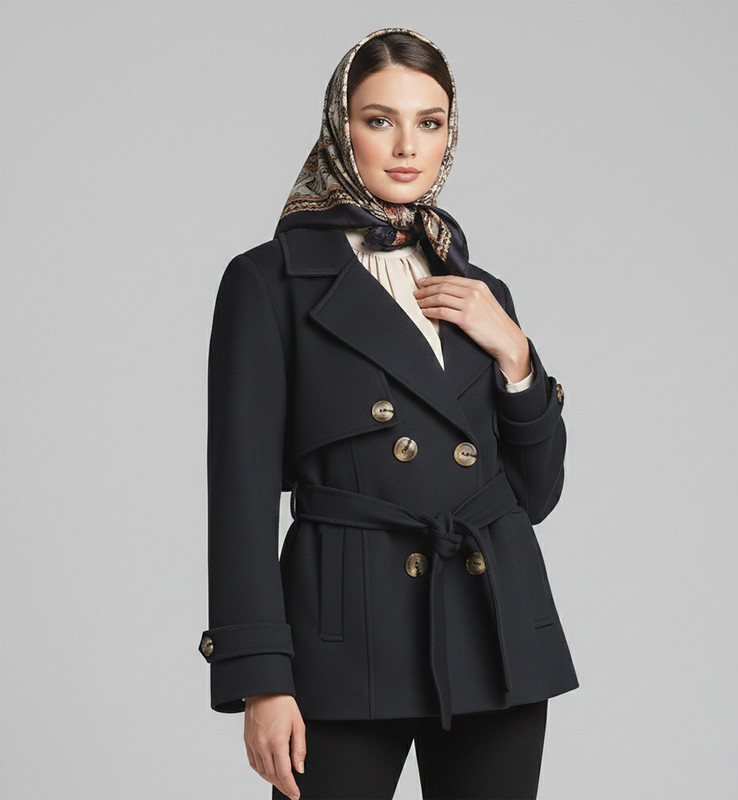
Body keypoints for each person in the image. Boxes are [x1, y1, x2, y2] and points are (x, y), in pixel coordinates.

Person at [198, 27, 579, 800]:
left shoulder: (479, 289)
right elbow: (238, 495)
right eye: (380, 120)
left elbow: (534, 496)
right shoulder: (270, 282)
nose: (408, 146)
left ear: (449, 134)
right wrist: (261, 678)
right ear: (341, 129)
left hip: (492, 631)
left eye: (429, 122)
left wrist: (517, 356)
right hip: (344, 635)